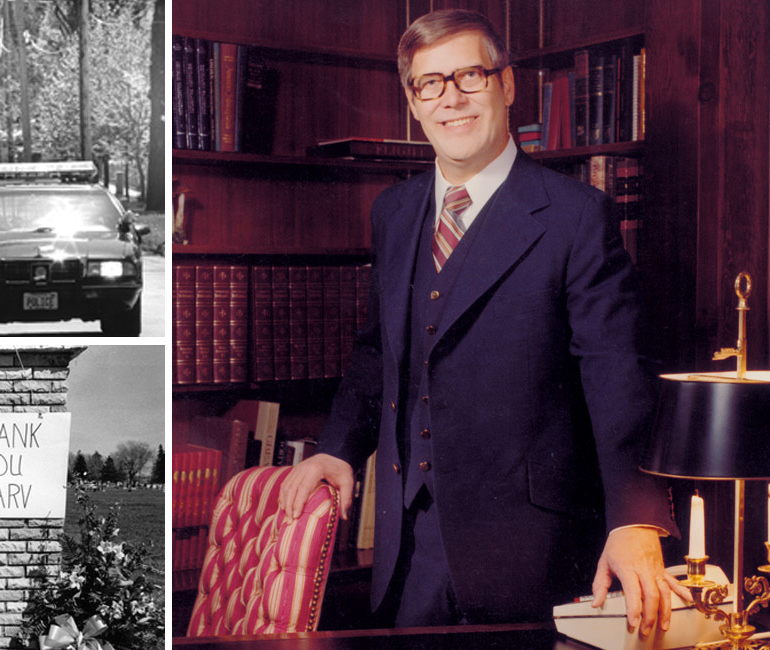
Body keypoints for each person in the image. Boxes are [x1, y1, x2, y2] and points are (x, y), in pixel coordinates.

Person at [278, 8, 689, 635]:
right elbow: (376, 351)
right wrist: (336, 448)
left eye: (470, 76)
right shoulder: (394, 211)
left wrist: (634, 518)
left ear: (507, 84)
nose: (452, 99)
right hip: (406, 550)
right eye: (430, 83)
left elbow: (617, 372)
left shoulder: (577, 216)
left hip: (530, 552)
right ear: (413, 102)